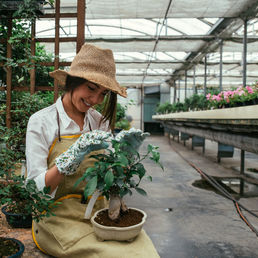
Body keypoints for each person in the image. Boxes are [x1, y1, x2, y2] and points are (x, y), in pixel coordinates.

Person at [25, 44, 159, 257]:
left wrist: (123, 163)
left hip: (99, 212)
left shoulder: (98, 121)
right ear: (72, 82)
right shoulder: (42, 122)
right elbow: (34, 190)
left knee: (145, 252)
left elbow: (108, 170)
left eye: (103, 93)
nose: (95, 100)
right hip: (58, 218)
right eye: (91, 88)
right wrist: (67, 160)